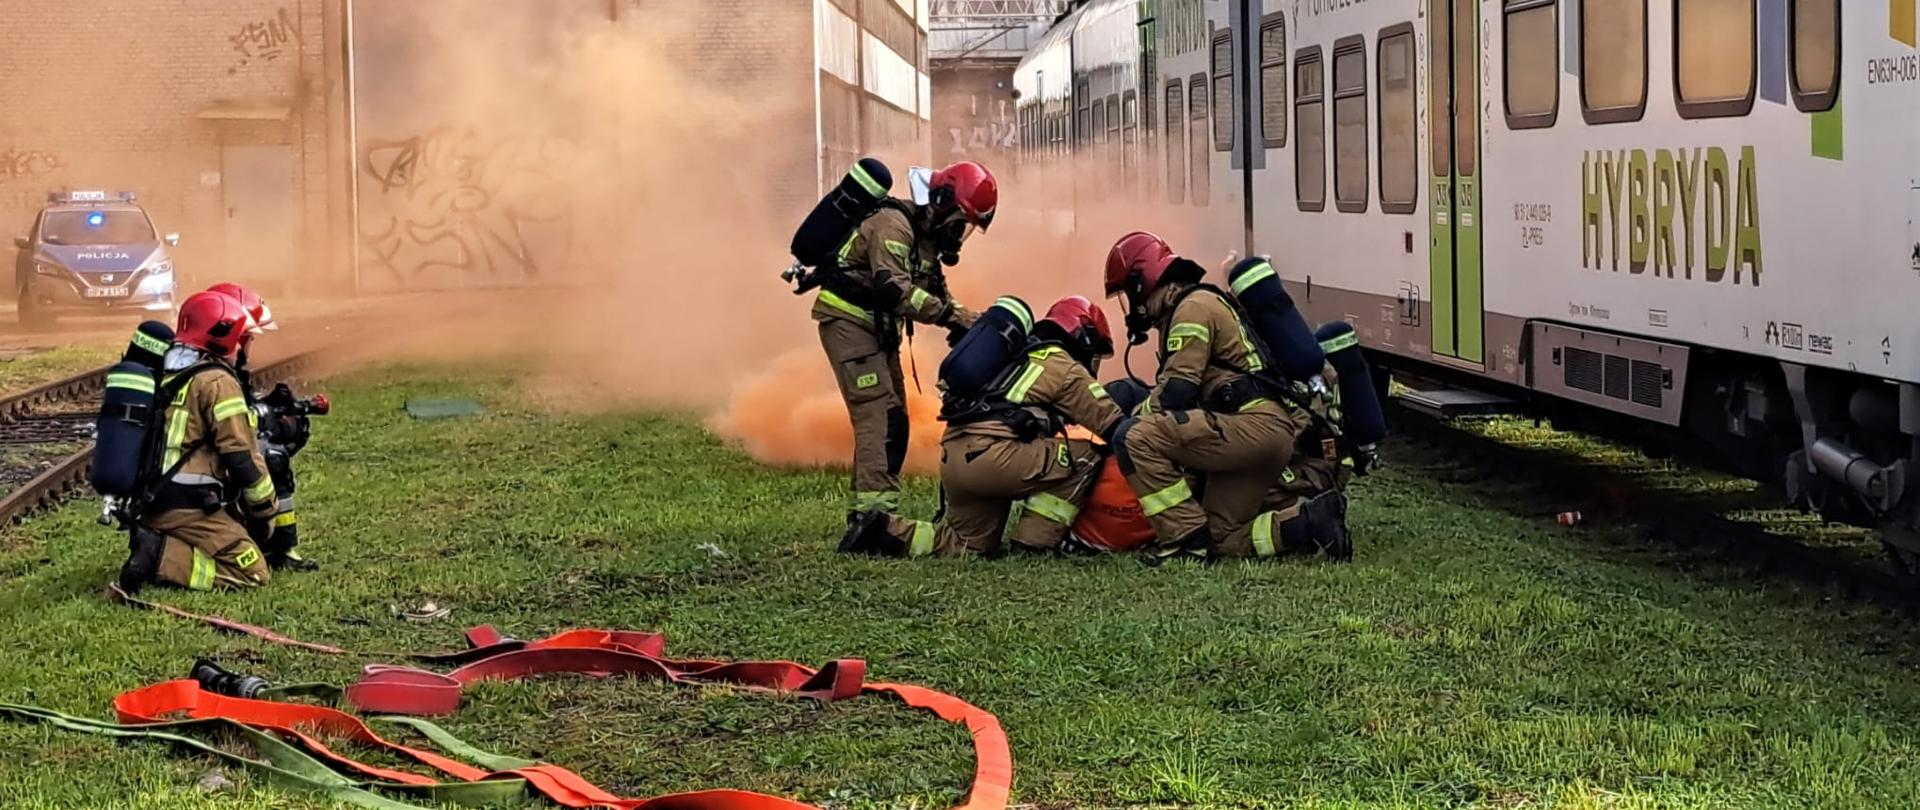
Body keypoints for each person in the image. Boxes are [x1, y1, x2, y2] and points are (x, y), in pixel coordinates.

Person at [1102, 232, 1346, 563]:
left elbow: (1177, 392)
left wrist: (1131, 414)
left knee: (1133, 437)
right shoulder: (1197, 305)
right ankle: (1308, 522)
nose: (1132, 306)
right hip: (1264, 435)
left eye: (1130, 294)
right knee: (1222, 536)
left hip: (1249, 427)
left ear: (1143, 280)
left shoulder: (1192, 308)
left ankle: (1185, 542)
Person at [840, 295, 1125, 558]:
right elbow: (1114, 426)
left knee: (966, 544)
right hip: (993, 459)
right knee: (1086, 456)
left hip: (955, 459)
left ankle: (881, 530)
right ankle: (1034, 544)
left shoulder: (1015, 358)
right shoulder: (1062, 364)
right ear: (1082, 338)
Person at [814, 160, 998, 523]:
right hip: (848, 322)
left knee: (896, 419)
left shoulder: (925, 241)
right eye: (961, 223)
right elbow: (895, 290)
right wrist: (952, 317)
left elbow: (937, 294)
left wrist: (973, 324)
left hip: (878, 330)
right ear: (942, 202)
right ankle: (872, 522)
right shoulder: (893, 225)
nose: (960, 235)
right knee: (877, 418)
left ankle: (872, 512)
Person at [117, 291, 280, 593]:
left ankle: (156, 540)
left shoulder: (168, 370)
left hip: (152, 500)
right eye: (242, 338)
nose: (244, 347)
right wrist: (265, 511)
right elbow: (240, 456)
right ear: (224, 337)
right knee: (254, 572)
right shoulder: (217, 382)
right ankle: (158, 556)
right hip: (187, 508)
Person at [203, 282, 316, 572]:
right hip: (198, 473)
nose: (251, 345)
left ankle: (268, 540)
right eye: (248, 337)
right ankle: (280, 548)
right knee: (272, 458)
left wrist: (269, 409)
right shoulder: (214, 373)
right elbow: (232, 428)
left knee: (271, 448)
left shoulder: (215, 367)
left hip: (198, 467)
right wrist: (269, 421)